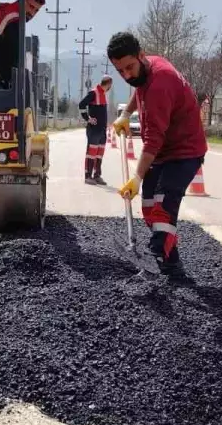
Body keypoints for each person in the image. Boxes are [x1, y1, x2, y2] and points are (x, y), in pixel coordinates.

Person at [107, 32, 208, 282]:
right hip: (163, 153)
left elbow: (153, 141)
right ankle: (170, 266)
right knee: (150, 207)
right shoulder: (148, 68)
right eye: (120, 71)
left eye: (129, 67)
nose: (127, 75)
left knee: (163, 208)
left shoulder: (160, 84)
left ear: (141, 55)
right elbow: (137, 89)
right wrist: (125, 113)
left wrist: (137, 178)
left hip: (185, 152)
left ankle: (164, 260)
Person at [78, 75, 112, 185]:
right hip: (94, 130)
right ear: (108, 84)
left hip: (102, 130)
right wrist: (87, 118)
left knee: (99, 153)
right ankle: (88, 176)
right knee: (91, 153)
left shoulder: (103, 94)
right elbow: (81, 104)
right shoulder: (94, 93)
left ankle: (97, 175)